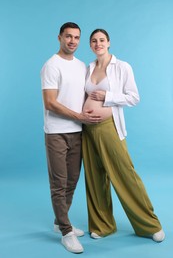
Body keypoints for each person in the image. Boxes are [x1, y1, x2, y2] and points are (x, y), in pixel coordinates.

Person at [82, 29, 165, 243]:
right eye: (94, 41)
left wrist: (107, 96)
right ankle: (102, 225)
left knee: (124, 174)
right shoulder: (88, 68)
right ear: (90, 45)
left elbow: (134, 97)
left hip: (109, 127)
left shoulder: (122, 67)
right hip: (87, 130)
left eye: (101, 40)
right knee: (94, 176)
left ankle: (149, 225)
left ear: (109, 42)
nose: (98, 43)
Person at [40, 22, 101, 254]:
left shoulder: (81, 66)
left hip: (78, 132)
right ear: (59, 38)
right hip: (56, 132)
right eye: (68, 37)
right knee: (59, 183)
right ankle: (66, 232)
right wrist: (79, 116)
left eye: (76, 37)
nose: (72, 41)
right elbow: (50, 102)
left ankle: (58, 222)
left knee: (73, 180)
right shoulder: (51, 66)